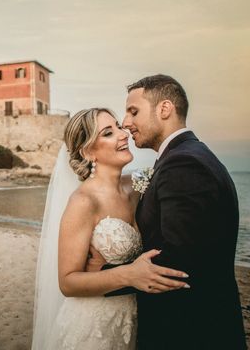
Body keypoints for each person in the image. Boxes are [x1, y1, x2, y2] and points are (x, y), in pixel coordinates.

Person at [91, 75, 246, 349]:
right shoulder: (188, 156)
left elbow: (179, 260)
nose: (126, 124)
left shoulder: (183, 164)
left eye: (133, 111)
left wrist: (103, 272)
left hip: (188, 331)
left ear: (164, 109)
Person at [32, 107, 188, 350]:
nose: (122, 133)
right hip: (94, 325)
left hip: (133, 318)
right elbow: (67, 283)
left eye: (117, 126)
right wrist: (128, 274)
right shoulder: (83, 202)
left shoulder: (138, 185)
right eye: (108, 133)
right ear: (88, 151)